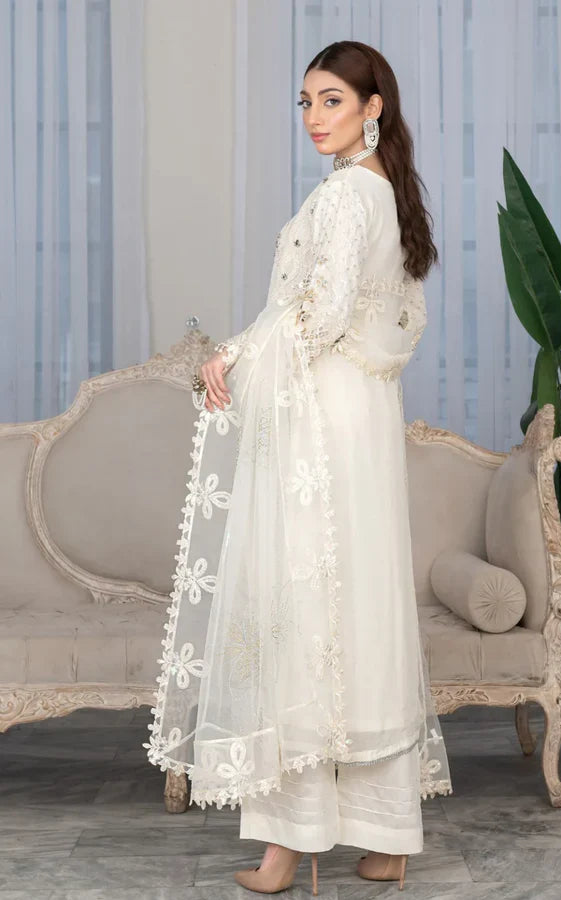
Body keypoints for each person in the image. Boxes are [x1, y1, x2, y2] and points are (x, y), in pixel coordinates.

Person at [144, 40, 452, 895]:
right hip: (358, 417)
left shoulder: (353, 195)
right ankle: (383, 838)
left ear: (372, 106)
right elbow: (370, 318)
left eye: (332, 102)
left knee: (307, 608)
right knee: (355, 610)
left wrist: (233, 357)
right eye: (306, 103)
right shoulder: (383, 194)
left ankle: (292, 842)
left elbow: (313, 318)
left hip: (325, 416)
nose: (316, 118)